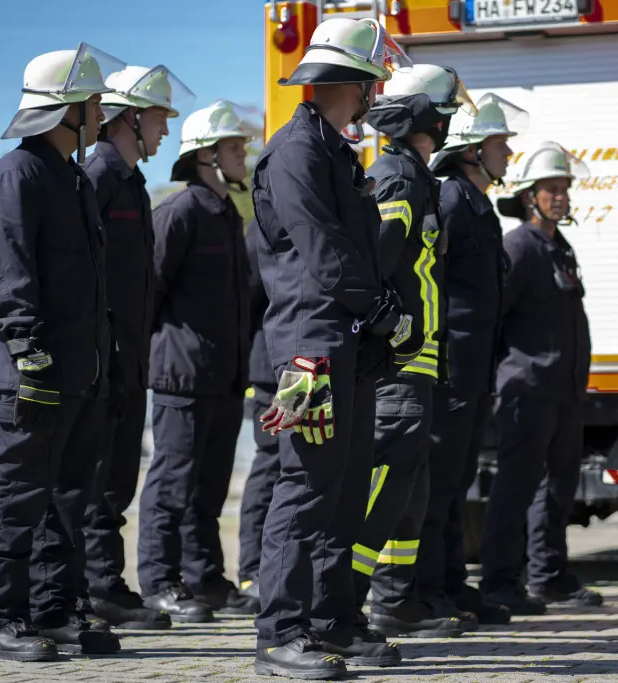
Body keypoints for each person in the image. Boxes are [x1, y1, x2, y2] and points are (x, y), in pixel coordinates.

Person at [251, 16, 423, 680]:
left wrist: (383, 318)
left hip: (344, 343)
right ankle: (280, 634)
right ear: (352, 81)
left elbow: (360, 250)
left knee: (344, 489)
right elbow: (323, 249)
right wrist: (380, 311)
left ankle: (331, 621)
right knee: (305, 487)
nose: (376, 92)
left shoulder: (334, 150)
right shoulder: (296, 151)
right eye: (373, 79)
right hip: (310, 349)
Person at [0, 42, 125, 660]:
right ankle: (0, 619)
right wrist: (27, 356)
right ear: (66, 108)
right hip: (37, 375)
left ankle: (53, 608)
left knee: (66, 498)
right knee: (17, 495)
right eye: (94, 101)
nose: (101, 112)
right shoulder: (19, 174)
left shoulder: (74, 179)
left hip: (80, 374)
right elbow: (6, 273)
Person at [354, 64, 478, 639]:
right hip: (397, 366)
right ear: (426, 118)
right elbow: (372, 269)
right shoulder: (398, 179)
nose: (450, 121)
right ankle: (345, 603)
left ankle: (396, 599)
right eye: (445, 112)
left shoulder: (417, 177)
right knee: (384, 488)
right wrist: (396, 331)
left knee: (410, 489)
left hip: (419, 364)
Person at [80, 63, 194, 631]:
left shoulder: (130, 181)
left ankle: (105, 585)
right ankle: (93, 587)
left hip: (130, 357)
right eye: (158, 118)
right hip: (105, 359)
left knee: (119, 477)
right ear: (129, 117)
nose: (165, 130)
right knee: (99, 476)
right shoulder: (98, 174)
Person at [135, 99, 257, 622]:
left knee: (209, 487)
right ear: (206, 155)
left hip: (223, 376)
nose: (243, 155)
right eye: (234, 147)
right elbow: (149, 292)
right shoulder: (179, 212)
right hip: (181, 375)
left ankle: (206, 580)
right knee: (172, 482)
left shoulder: (226, 214)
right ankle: (159, 581)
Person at [411, 93, 529, 624]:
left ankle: (453, 583)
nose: (508, 153)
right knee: (438, 483)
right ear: (471, 150)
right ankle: (427, 589)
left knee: (458, 482)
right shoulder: (453, 201)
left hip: (475, 368)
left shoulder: (479, 206)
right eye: (499, 143)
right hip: (451, 366)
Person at [483, 141, 602, 611]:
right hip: (527, 391)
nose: (561, 197)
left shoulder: (558, 247)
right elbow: (494, 318)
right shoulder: (519, 247)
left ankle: (549, 577)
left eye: (564, 188)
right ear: (529, 196)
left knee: (556, 489)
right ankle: (499, 582)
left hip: (562, 392)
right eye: (551, 189)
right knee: (516, 488)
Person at [237, 217, 279, 600]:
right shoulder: (264, 223)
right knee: (270, 466)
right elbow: (248, 298)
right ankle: (252, 571)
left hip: (298, 363)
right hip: (269, 365)